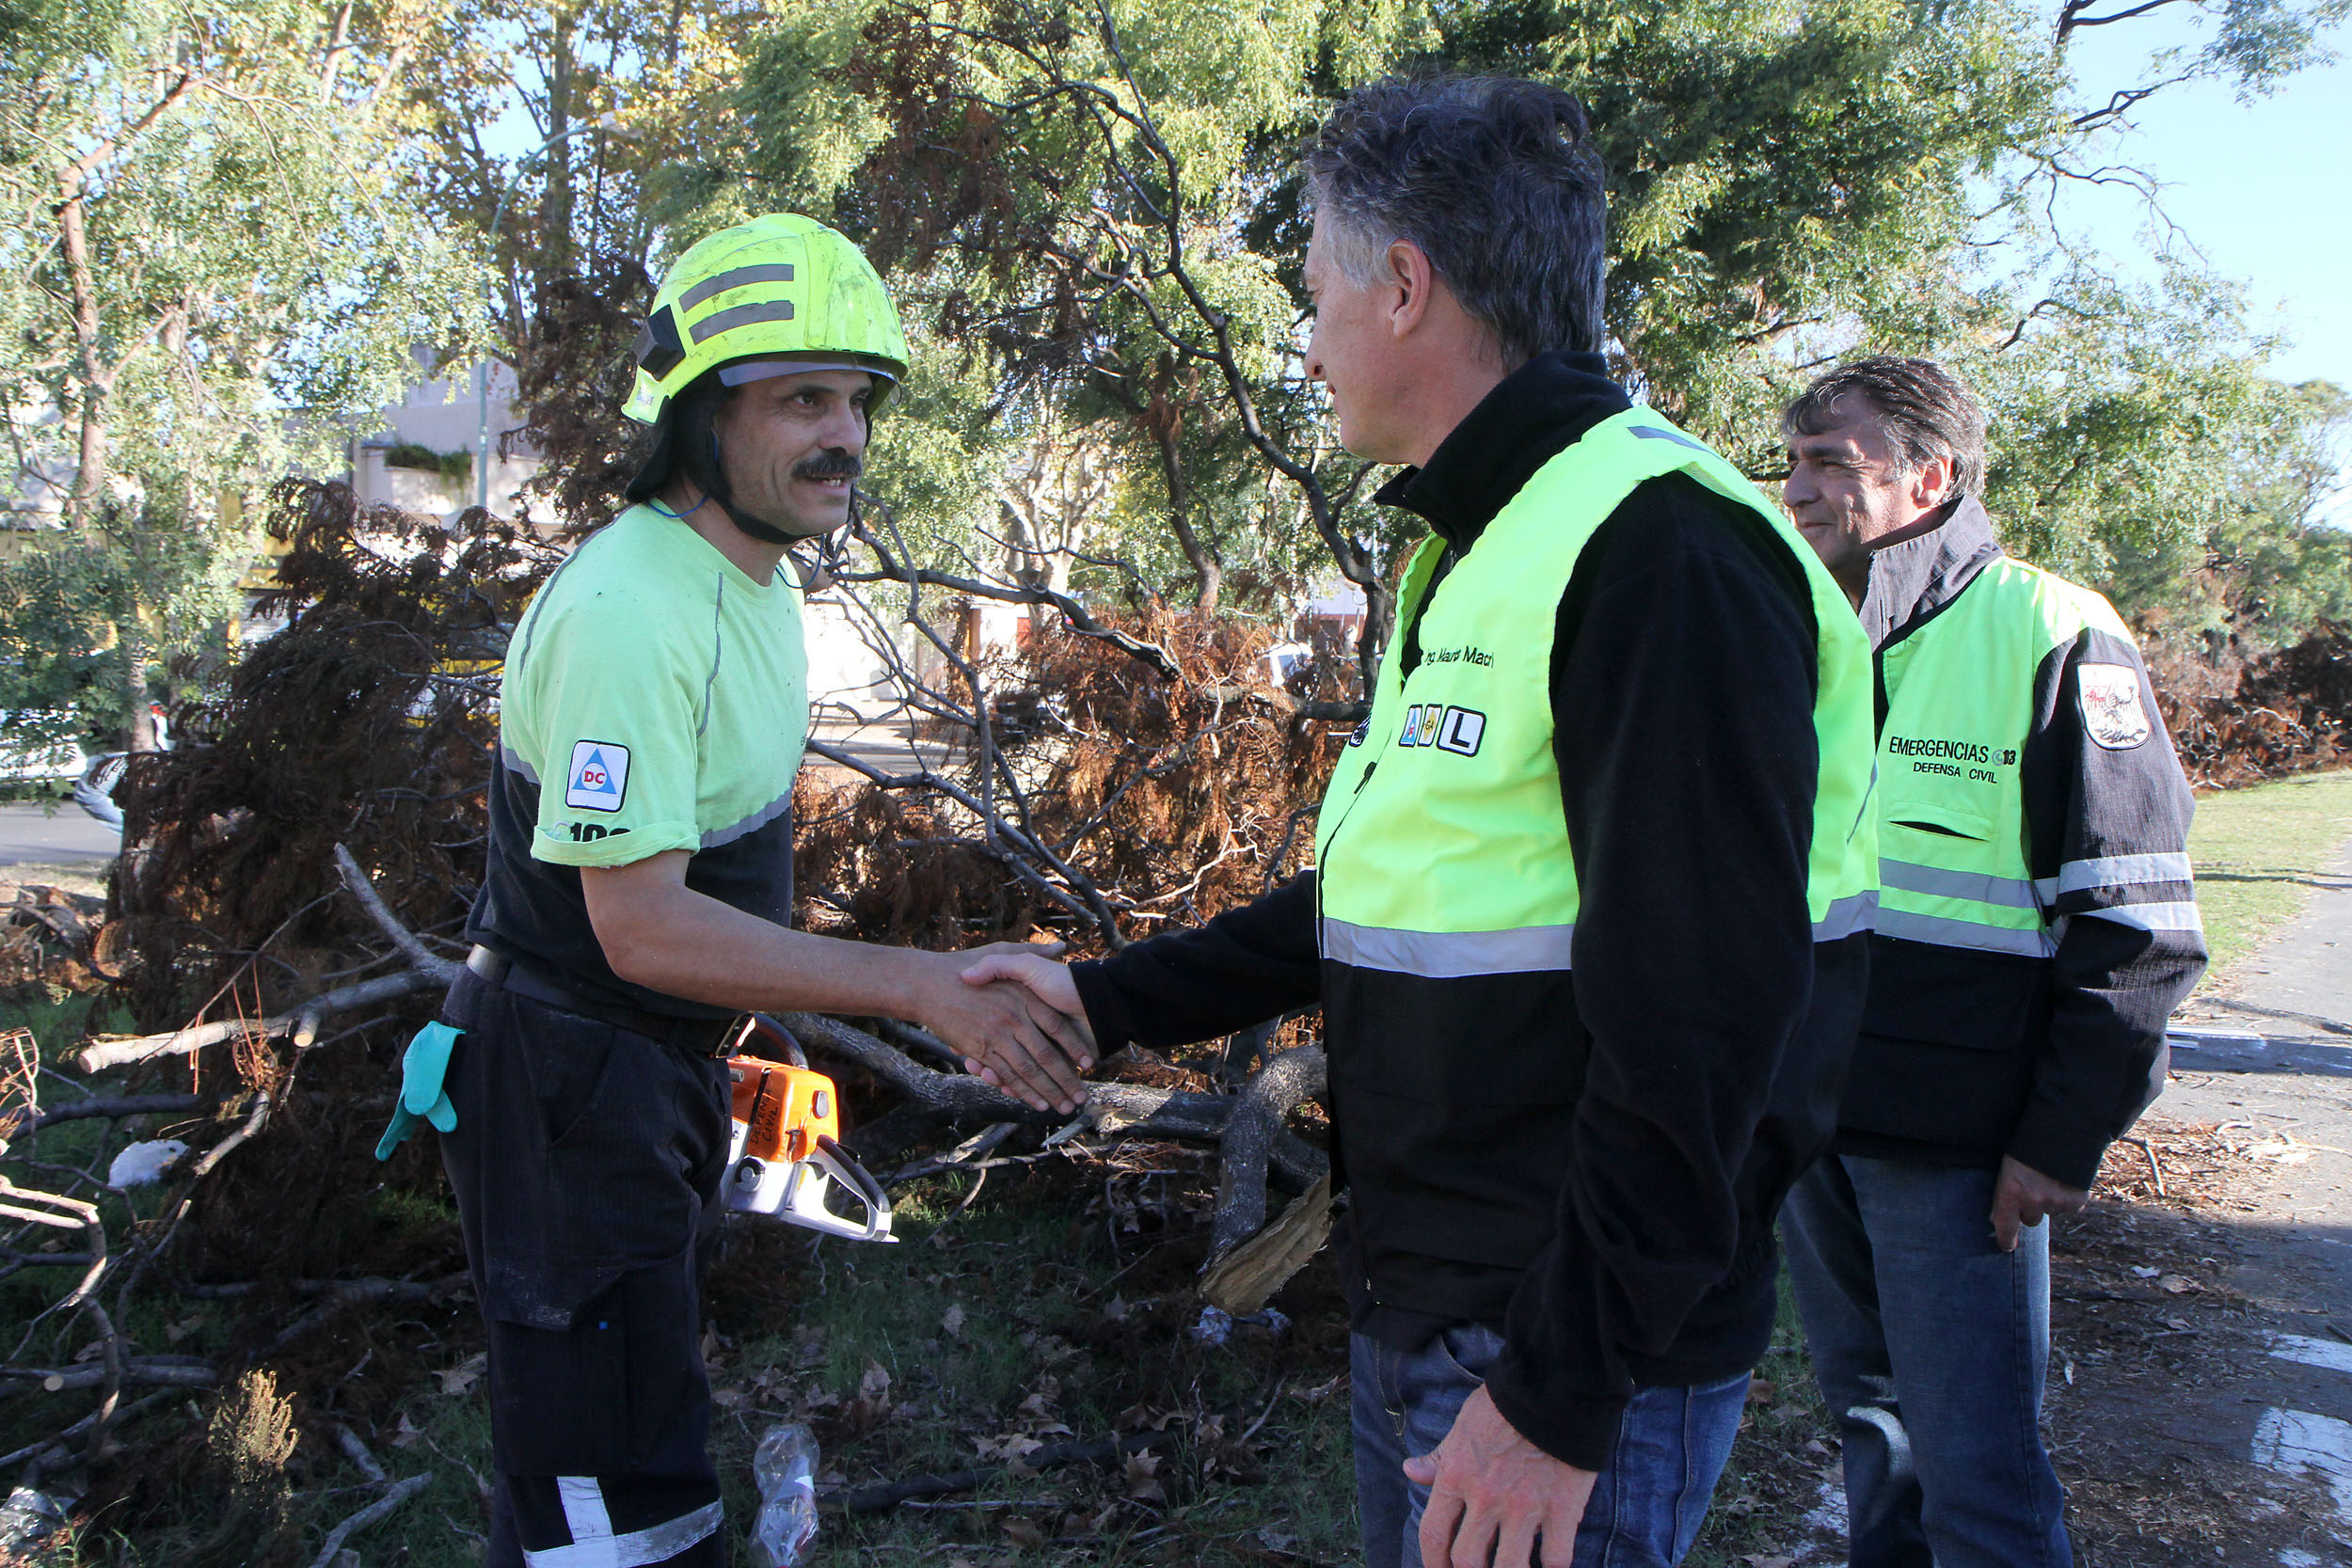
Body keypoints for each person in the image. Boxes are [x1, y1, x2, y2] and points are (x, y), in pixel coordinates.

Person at [962, 76, 1880, 1568]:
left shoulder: (1661, 557)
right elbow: (1395, 899)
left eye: (1317, 293)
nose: (1308, 344)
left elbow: (1708, 1024)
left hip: (1555, 1349)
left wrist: (1562, 1394)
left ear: (1404, 287)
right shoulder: (1484, 545)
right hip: (1443, 1301)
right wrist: (1099, 997)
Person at [381, 213, 1096, 1567]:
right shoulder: (631, 608)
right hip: (562, 1088)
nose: (845, 436)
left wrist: (744, 1041)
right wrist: (915, 987)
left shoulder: (752, 582)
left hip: (635, 1075)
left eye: (857, 400)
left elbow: (695, 893)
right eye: (800, 400)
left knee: (642, 1454)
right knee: (602, 1514)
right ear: (702, 417)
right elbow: (636, 921)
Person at [1776, 356, 2207, 1567]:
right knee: (1874, 1443)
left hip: (1962, 1155)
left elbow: (2141, 930)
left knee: (1980, 1481)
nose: (1798, 487)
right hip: (1815, 1130)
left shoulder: (2050, 628)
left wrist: (2060, 1136)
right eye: (1793, 459)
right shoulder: (1796, 626)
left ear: (1933, 476)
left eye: (1832, 463)